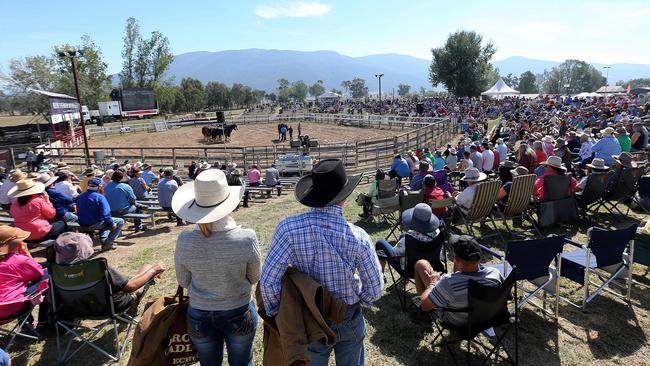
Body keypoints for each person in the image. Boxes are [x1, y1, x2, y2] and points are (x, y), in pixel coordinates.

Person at [260, 159, 383, 365]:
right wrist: (362, 300)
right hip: (348, 313)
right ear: (343, 197)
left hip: (309, 318)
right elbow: (375, 287)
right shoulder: (359, 236)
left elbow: (268, 281)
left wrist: (277, 313)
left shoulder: (288, 229)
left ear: (313, 193)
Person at [173, 169, 260, 366]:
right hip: (238, 309)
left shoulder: (185, 239)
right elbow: (254, 278)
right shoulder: (246, 238)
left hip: (199, 313)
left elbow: (183, 281)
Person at [54, 231, 165, 314]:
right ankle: (132, 308)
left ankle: (148, 268)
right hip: (111, 306)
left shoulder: (57, 272)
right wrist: (154, 270)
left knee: (146, 267)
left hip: (77, 309)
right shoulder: (95, 267)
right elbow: (131, 287)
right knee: (147, 270)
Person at [416, 235, 504, 326]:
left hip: (458, 322)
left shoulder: (449, 283)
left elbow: (424, 306)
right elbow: (508, 296)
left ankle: (422, 316)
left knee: (421, 264)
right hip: (485, 319)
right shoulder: (495, 274)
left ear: (456, 259)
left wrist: (433, 284)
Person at [0, 225, 47, 325]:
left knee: (18, 286)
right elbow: (39, 273)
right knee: (47, 274)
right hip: (11, 310)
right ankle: (44, 321)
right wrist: (26, 253)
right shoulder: (17, 260)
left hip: (5, 307)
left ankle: (28, 323)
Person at [375, 203, 441, 274]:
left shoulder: (410, 237)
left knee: (380, 243)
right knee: (403, 235)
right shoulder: (438, 232)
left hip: (409, 270)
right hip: (431, 265)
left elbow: (395, 255)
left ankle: (381, 275)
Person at [76, 178, 125, 251]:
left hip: (81, 223)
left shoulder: (80, 196)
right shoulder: (99, 197)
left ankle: (104, 240)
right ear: (99, 186)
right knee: (120, 221)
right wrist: (112, 224)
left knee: (105, 222)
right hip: (94, 224)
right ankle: (108, 243)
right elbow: (106, 215)